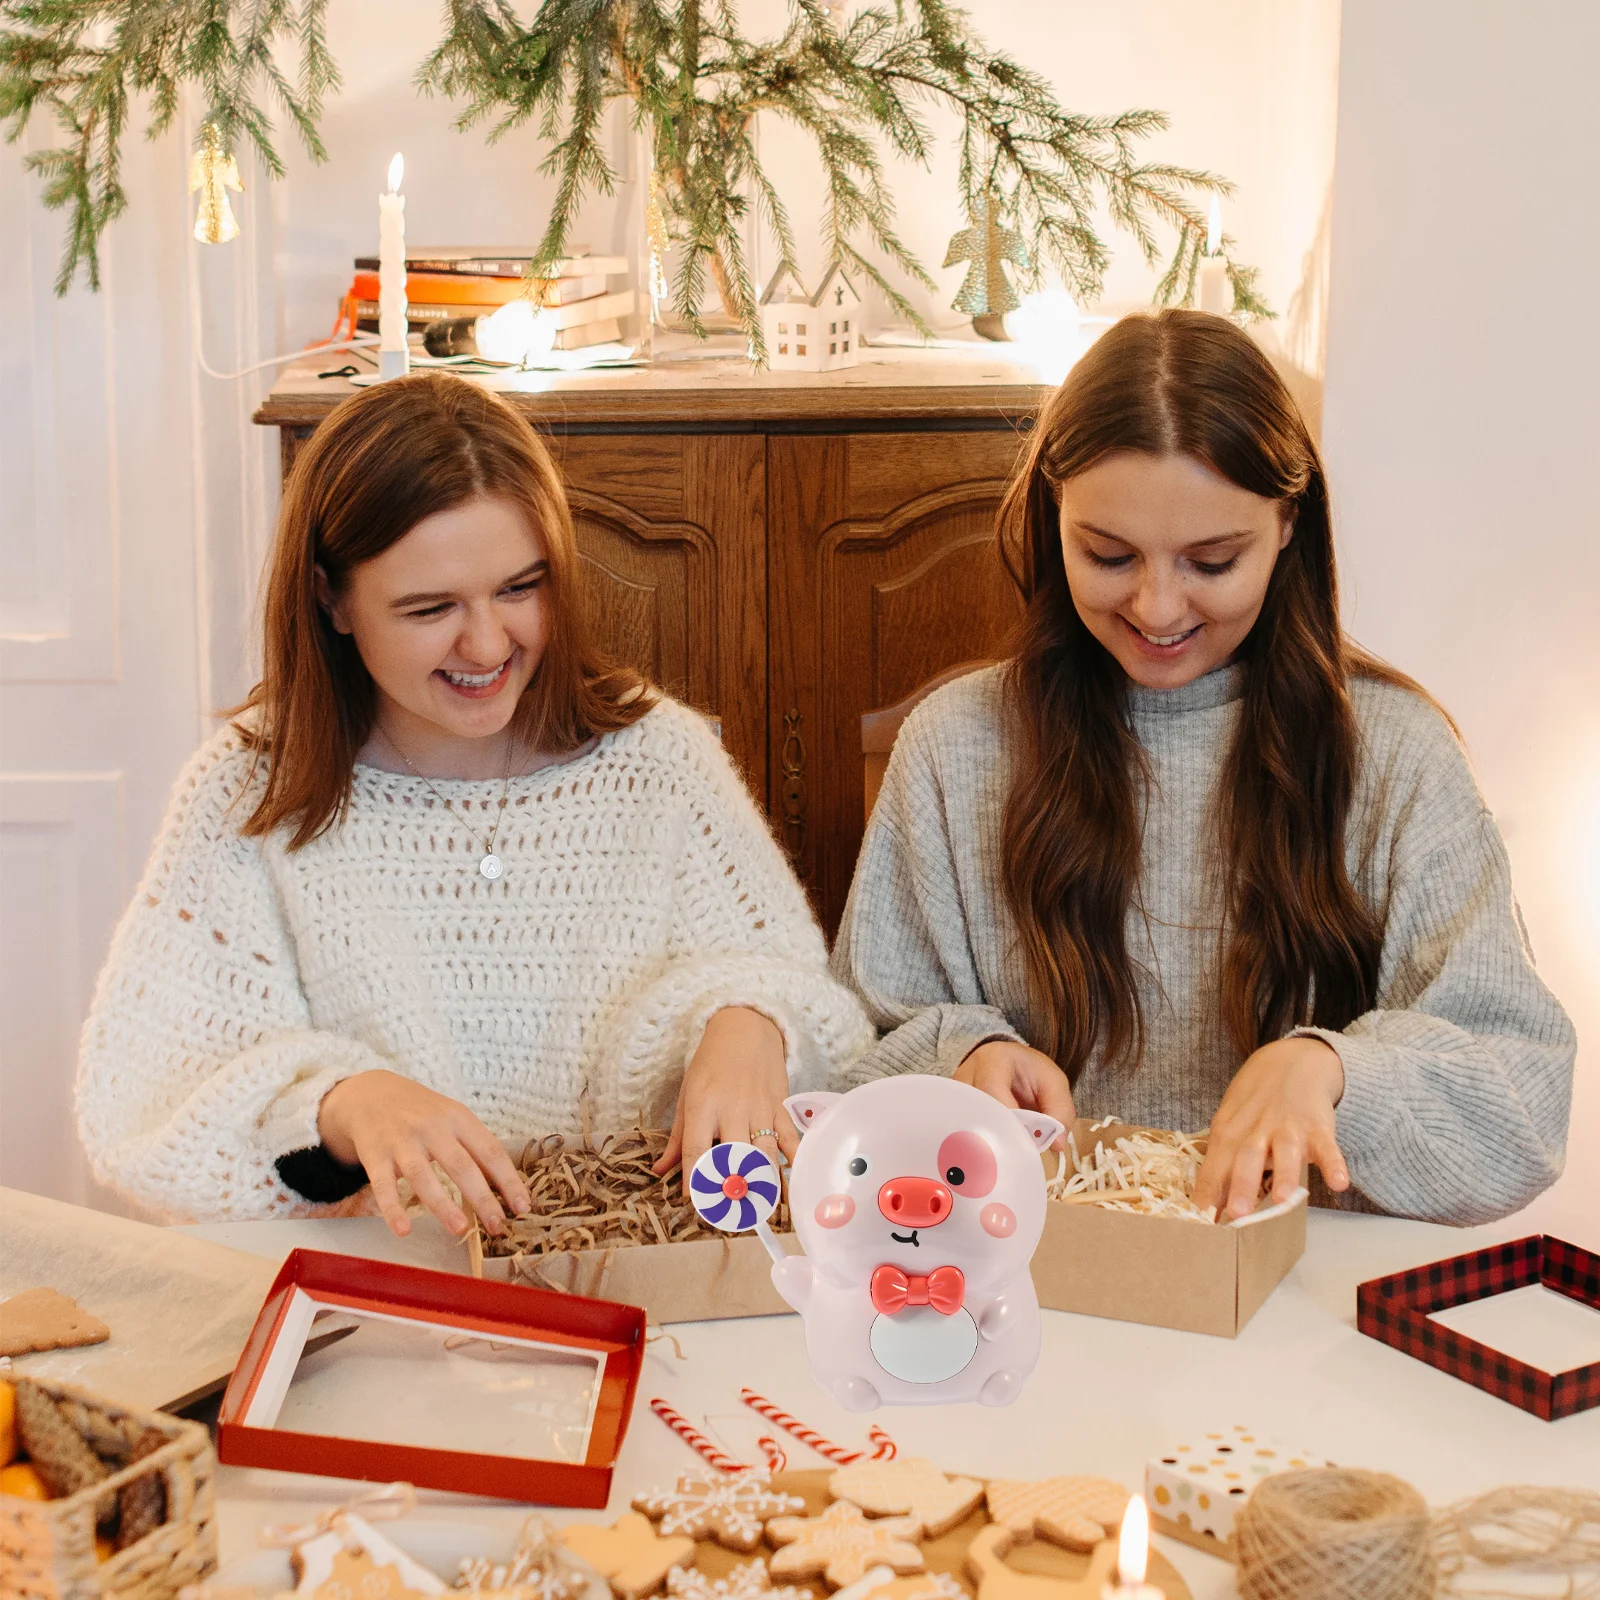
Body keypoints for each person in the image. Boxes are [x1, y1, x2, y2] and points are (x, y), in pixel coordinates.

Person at [77, 375, 871, 1234]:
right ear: (330, 598)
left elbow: (814, 1008)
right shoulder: (247, 793)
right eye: (430, 608)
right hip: (373, 1297)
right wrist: (340, 1105)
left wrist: (754, 1022)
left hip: (641, 1284)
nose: (488, 644)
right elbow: (146, 1110)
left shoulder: (661, 759)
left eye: (520, 589)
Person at [832, 309, 1574, 1226]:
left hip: (1305, 1308)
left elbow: (1526, 1103)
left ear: (1288, 527)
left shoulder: (1396, 754)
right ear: (1051, 512)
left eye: (1213, 562)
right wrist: (963, 1058)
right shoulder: (957, 746)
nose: (1156, 605)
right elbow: (848, 1055)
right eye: (1107, 555)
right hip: (1027, 1288)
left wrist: (1337, 1072)